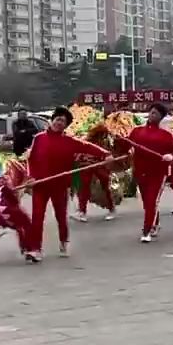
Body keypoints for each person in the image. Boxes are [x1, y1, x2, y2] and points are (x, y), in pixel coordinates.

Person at [23, 107, 111, 262]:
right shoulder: (39, 138)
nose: (59, 123)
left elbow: (87, 147)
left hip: (59, 185)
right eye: (57, 119)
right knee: (37, 218)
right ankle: (35, 249)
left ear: (66, 125)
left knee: (61, 217)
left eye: (63, 121)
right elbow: (31, 159)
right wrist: (30, 177)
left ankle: (64, 241)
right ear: (52, 120)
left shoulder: (70, 142)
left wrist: (105, 154)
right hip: (40, 185)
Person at [127, 103, 173, 242]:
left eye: (155, 114)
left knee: (152, 201)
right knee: (147, 202)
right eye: (151, 112)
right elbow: (125, 145)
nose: (152, 115)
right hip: (140, 172)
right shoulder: (137, 131)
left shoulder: (166, 135)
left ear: (161, 118)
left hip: (158, 173)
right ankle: (154, 223)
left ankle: (146, 231)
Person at [72, 146, 117, 223]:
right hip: (85, 162)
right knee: (83, 187)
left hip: (99, 160)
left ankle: (111, 208)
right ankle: (82, 211)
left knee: (105, 185)